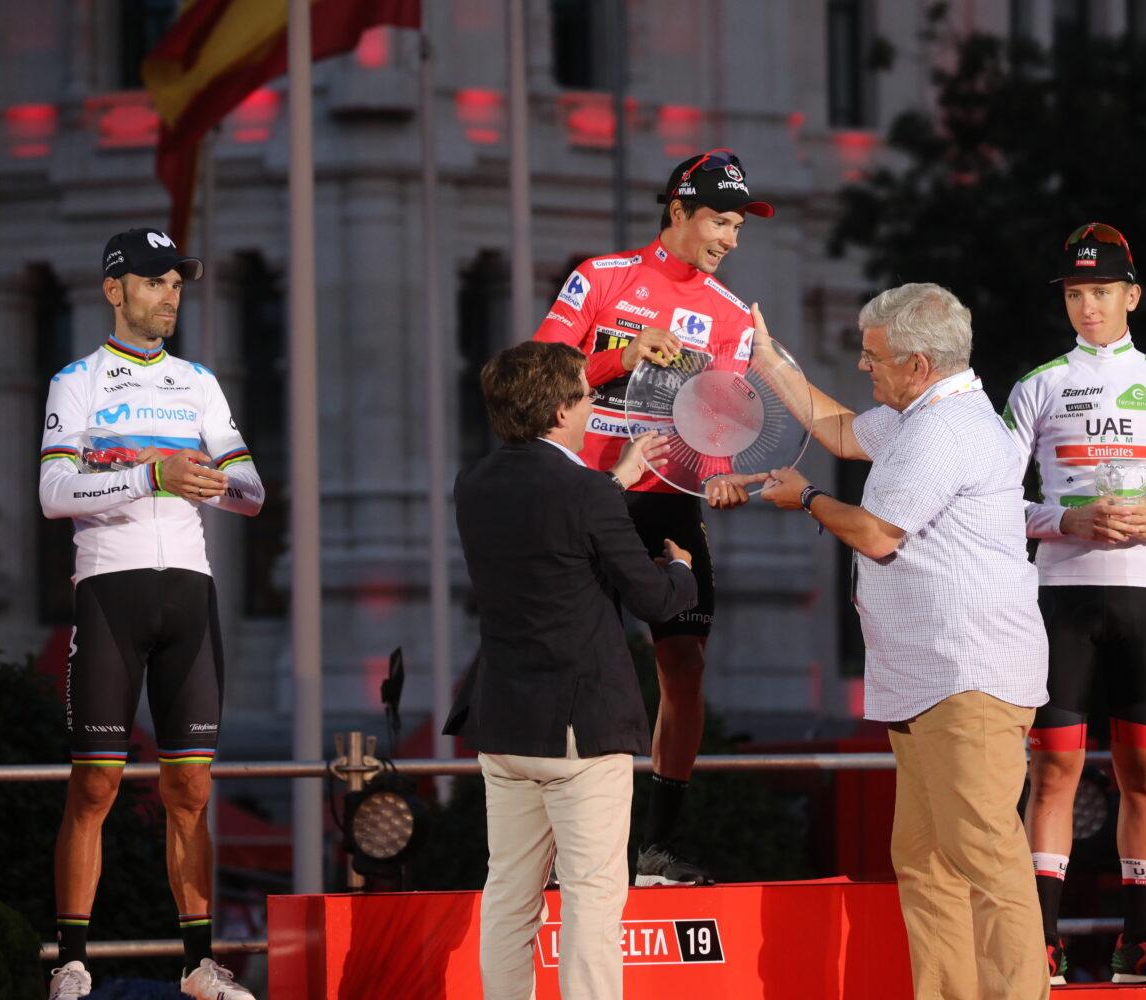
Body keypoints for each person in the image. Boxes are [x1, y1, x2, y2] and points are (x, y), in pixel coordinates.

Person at [754, 284, 1050, 1000]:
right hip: (930, 678)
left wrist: (807, 500)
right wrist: (770, 364)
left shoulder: (944, 431)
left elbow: (877, 534)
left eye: (874, 355)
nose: (863, 365)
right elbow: (845, 432)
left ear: (918, 365)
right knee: (924, 858)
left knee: (984, 853)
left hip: (967, 675)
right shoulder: (922, 414)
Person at [533, 148, 771, 886]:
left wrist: (725, 476)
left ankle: (656, 849)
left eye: (737, 225)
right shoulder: (600, 279)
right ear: (678, 210)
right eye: (719, 221)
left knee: (686, 665)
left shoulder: (731, 316)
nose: (730, 238)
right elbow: (534, 378)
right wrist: (620, 356)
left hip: (667, 501)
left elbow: (721, 426)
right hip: (584, 493)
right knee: (572, 668)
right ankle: (554, 850)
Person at [1003, 222, 1146, 985]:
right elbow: (995, 501)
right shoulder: (1037, 385)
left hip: (1145, 601)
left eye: (1101, 291)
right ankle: (1042, 944)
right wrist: (1064, 520)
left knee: (1144, 775)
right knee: (1054, 772)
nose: (1088, 306)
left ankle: (1138, 944)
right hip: (1059, 597)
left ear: (1131, 294)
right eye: (1074, 293)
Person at [40, 230, 263, 1000]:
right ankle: (72, 960)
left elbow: (252, 491)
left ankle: (199, 965)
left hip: (190, 593)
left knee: (191, 793)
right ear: (114, 291)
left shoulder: (200, 382)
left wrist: (217, 484)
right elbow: (53, 494)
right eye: (154, 282)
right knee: (95, 788)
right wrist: (152, 473)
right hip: (109, 589)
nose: (170, 296)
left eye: (176, 283)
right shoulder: (76, 381)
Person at [443, 340, 698, 1000]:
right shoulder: (584, 492)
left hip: (505, 723)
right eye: (586, 394)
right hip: (581, 727)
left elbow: (550, 524)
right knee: (591, 899)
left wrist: (615, 478)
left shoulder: (473, 483)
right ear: (560, 411)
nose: (592, 402)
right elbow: (653, 599)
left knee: (509, 895)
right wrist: (682, 571)